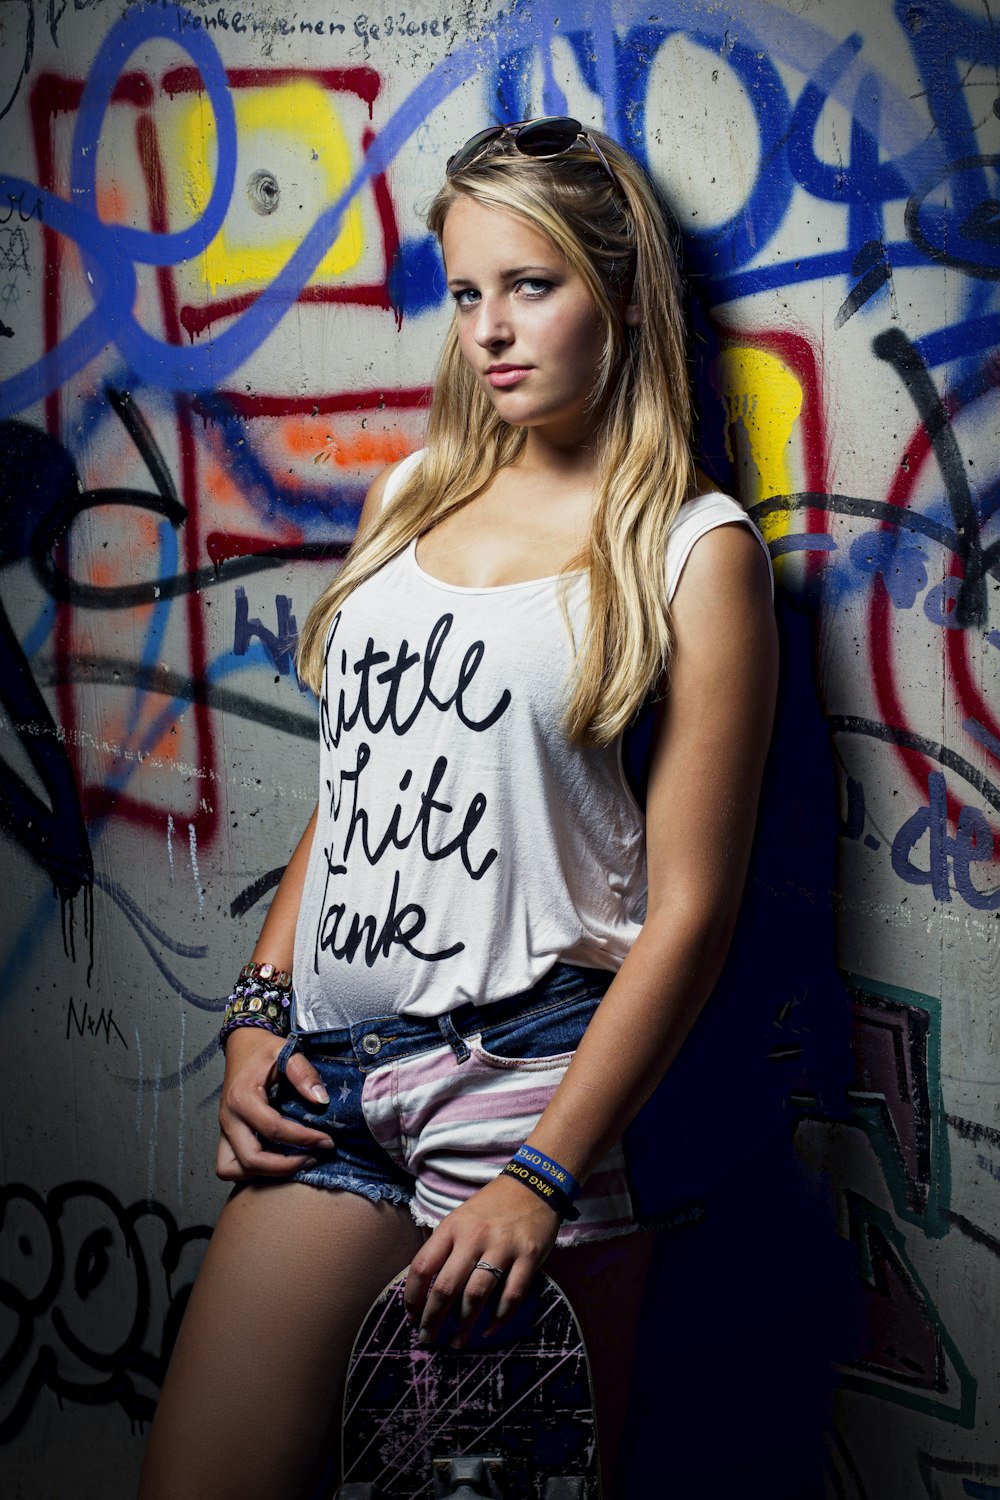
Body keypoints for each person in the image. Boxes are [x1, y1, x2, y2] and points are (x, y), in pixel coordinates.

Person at [139, 117, 777, 1500]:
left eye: (531, 286)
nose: (490, 330)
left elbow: (692, 912)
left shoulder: (690, 550)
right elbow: (360, 781)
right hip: (337, 1080)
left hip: (530, 1089)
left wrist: (545, 1173)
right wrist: (258, 1014)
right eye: (467, 291)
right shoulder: (417, 492)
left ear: (619, 292)